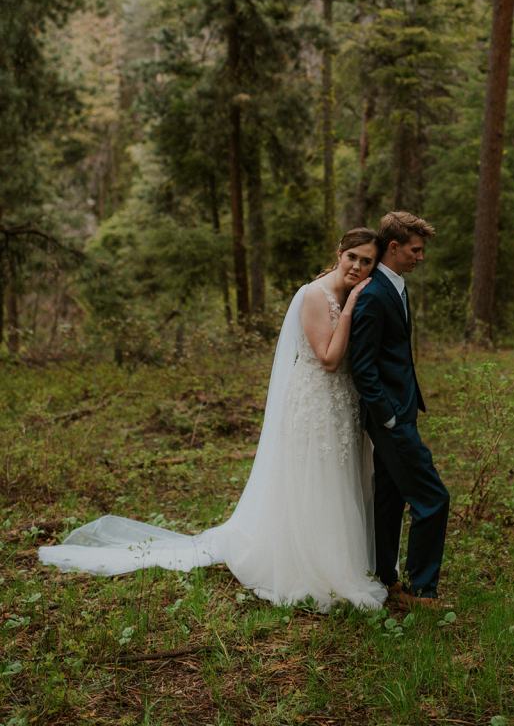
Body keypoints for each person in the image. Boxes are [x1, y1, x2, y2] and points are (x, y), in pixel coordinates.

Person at [38, 228, 387, 612]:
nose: (356, 265)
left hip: (340, 403)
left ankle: (339, 556)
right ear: (339, 252)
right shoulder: (316, 295)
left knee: (336, 480)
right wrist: (353, 306)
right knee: (313, 478)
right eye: (352, 256)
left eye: (366, 260)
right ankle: (308, 564)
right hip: (314, 402)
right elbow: (329, 358)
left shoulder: (349, 292)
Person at [350, 211, 449, 607]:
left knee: (389, 498)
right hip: (389, 417)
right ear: (394, 247)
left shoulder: (397, 286)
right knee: (433, 498)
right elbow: (363, 365)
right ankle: (422, 589)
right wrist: (388, 416)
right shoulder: (374, 295)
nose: (420, 257)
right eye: (415, 249)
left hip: (402, 409)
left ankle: (386, 578)